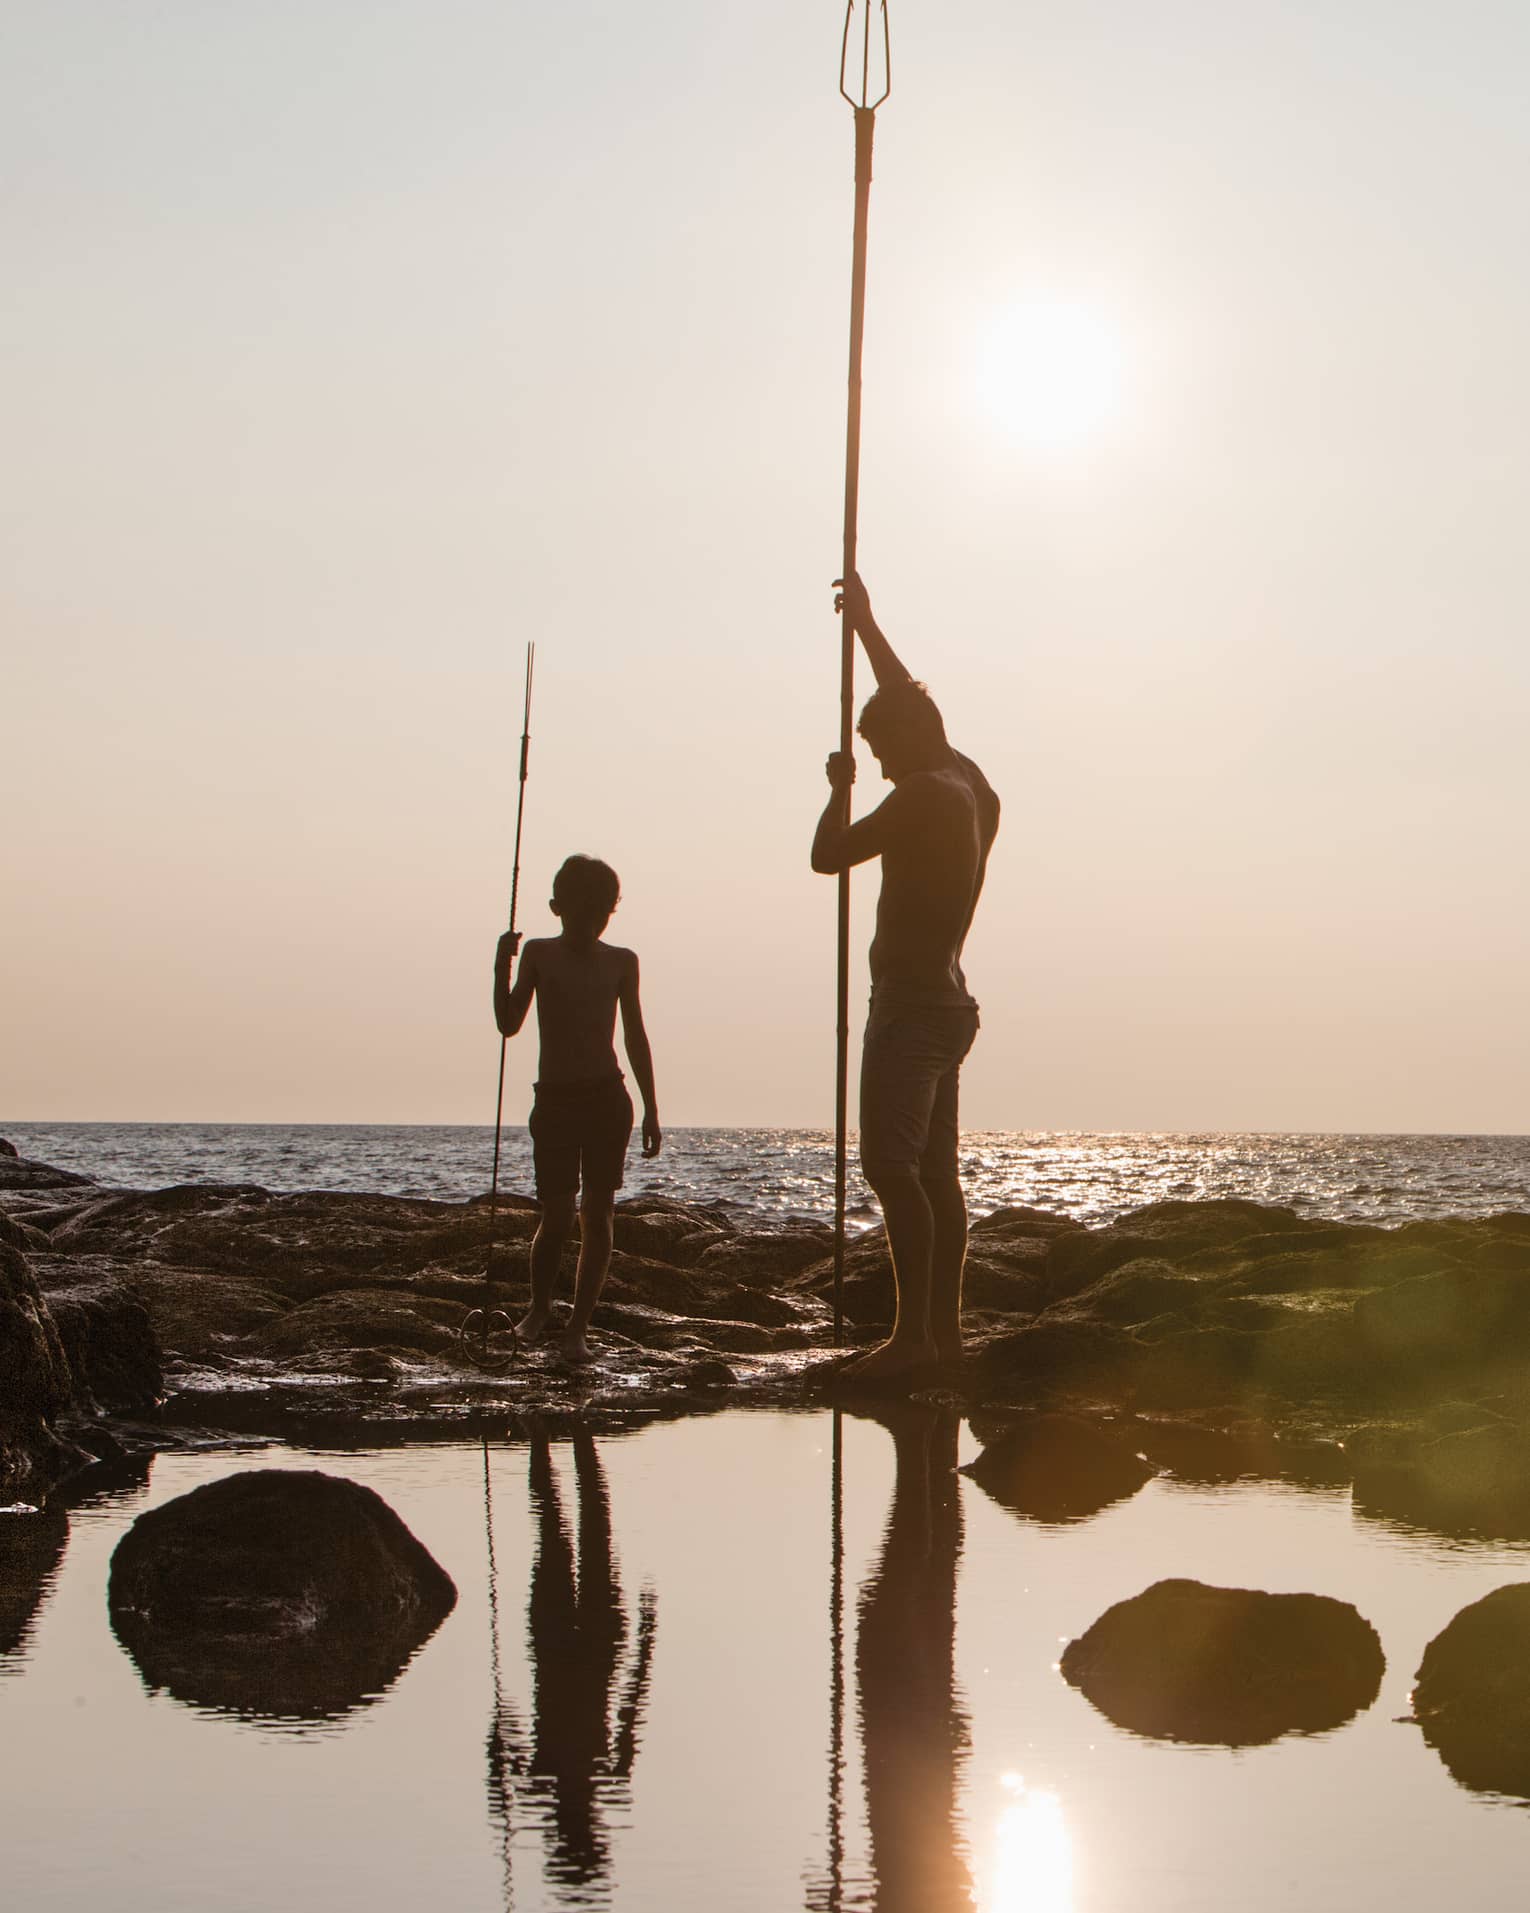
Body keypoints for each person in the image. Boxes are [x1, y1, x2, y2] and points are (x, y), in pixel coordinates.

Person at [811, 572, 999, 1384]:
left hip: (911, 1008)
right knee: (933, 1175)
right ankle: (943, 1335)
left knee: (892, 1170)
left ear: (906, 741)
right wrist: (867, 622)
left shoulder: (921, 794)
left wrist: (837, 790)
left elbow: (828, 857)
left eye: (881, 750)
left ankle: (913, 1338)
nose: (879, 765)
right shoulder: (971, 783)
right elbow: (908, 698)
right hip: (952, 1005)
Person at [493, 854, 661, 1363]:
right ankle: (539, 1310)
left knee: (599, 1214)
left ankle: (577, 1330)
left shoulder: (622, 960)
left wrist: (653, 1108)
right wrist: (500, 964)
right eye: (583, 911)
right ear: (557, 908)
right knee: (558, 1212)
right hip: (557, 1101)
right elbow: (508, 1023)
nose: (593, 922)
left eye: (603, 912)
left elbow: (635, 1035)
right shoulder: (540, 954)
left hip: (608, 1100)